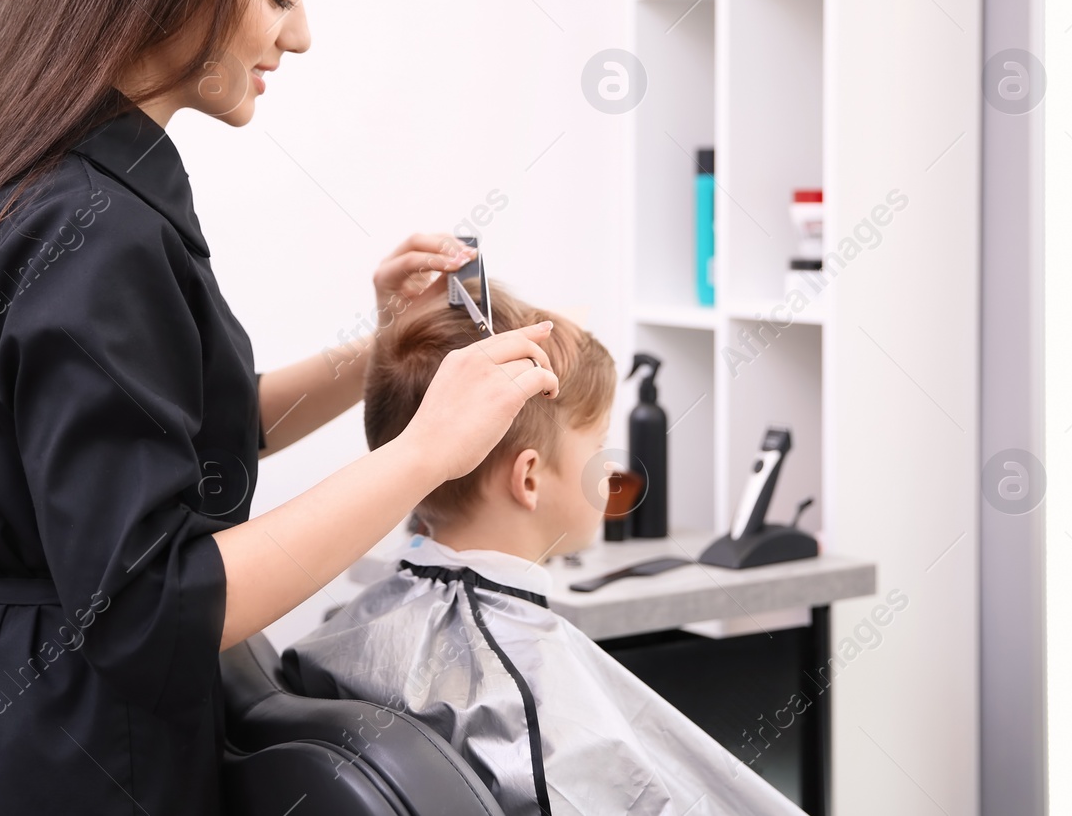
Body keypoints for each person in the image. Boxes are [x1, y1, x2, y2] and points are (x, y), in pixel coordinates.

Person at [0, 0, 560, 815]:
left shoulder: (54, 190)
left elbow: (178, 439)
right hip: (66, 761)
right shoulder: (92, 232)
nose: (298, 33)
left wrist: (382, 349)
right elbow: (148, 606)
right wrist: (423, 451)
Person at [283, 280, 805, 816]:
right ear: (529, 479)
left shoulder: (346, 628)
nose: (611, 469)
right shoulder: (520, 694)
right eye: (599, 445)